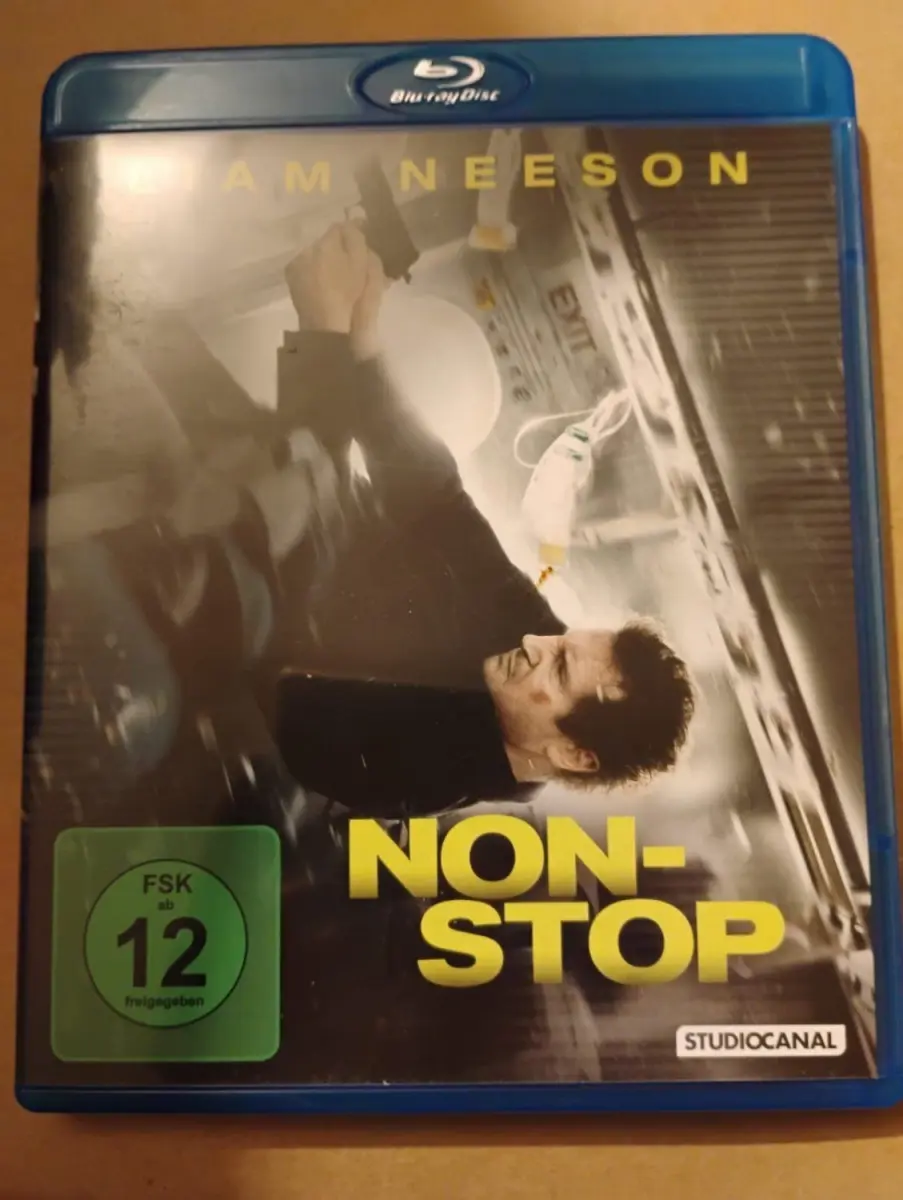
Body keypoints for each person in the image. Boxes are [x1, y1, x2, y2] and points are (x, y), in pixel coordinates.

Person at [253, 222, 696, 820]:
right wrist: (363, 336)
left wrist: (320, 340)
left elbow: (281, 611)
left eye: (560, 666)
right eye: (563, 641)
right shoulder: (532, 642)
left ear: (572, 754)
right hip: (288, 489)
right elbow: (437, 500)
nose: (536, 641)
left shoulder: (405, 773)